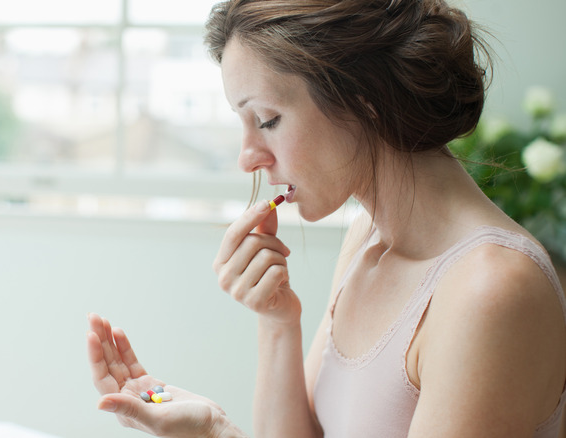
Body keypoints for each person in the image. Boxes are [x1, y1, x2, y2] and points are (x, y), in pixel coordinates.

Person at [86, 0, 566, 436]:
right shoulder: (367, 239)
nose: (248, 157)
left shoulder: (492, 290)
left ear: (363, 99)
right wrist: (276, 321)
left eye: (268, 120)